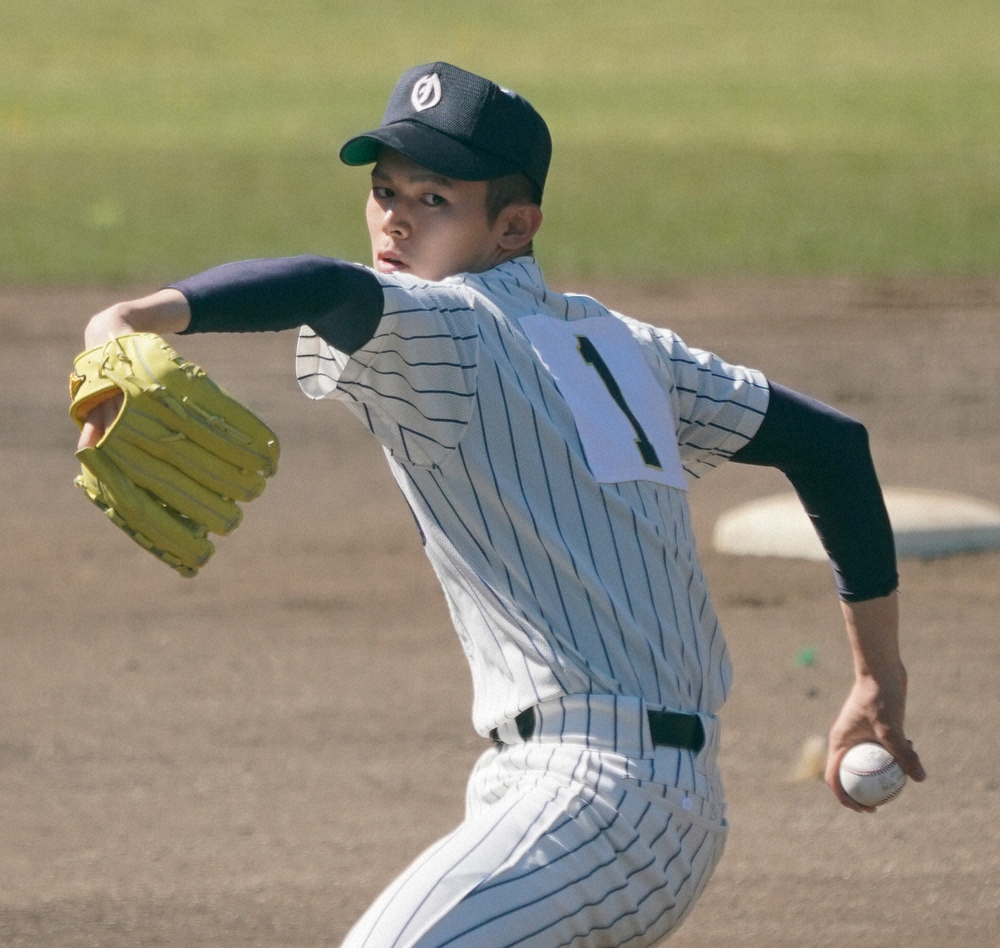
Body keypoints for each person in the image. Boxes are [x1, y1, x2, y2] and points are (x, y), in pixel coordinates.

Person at [77, 62, 925, 948]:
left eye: (434, 197)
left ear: (514, 227)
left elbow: (333, 287)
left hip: (595, 797)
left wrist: (137, 316)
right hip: (608, 799)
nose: (395, 218)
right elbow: (831, 447)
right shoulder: (629, 346)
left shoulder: (454, 328)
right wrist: (878, 676)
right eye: (383, 189)